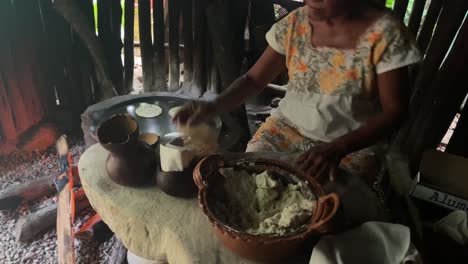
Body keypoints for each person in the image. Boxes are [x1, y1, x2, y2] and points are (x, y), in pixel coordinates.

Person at [174, 0, 421, 183]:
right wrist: (212, 107)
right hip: (287, 129)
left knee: (328, 203)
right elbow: (253, 80)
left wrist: (337, 149)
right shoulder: (296, 23)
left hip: (350, 145)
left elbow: (395, 111)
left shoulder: (386, 35)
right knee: (253, 178)